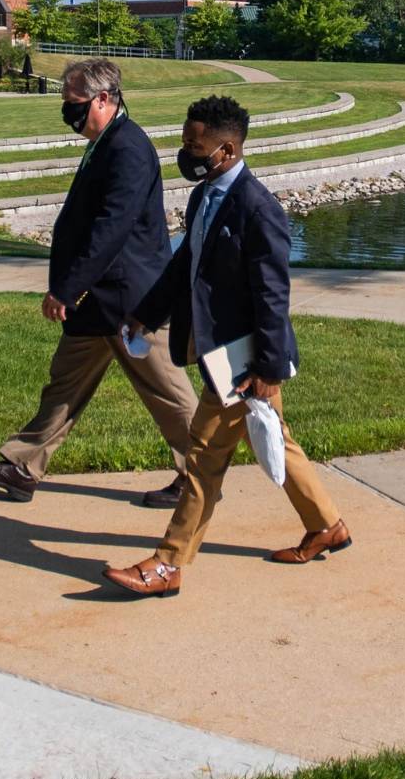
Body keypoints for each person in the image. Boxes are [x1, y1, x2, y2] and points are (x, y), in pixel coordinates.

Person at [102, 93, 353, 598]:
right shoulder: (205, 196)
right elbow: (183, 268)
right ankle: (327, 526)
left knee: (204, 458)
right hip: (223, 352)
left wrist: (268, 367)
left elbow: (273, 296)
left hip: (242, 361)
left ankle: (168, 564)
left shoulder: (258, 209)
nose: (187, 153)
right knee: (277, 442)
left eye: (196, 146)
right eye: (185, 143)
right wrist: (146, 315)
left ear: (229, 150)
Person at [0, 58, 199, 509]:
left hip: (130, 301)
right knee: (65, 384)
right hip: (98, 299)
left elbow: (111, 230)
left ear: (104, 99)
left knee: (167, 393)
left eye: (75, 105)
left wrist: (67, 288)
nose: (68, 114)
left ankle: (201, 475)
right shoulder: (107, 141)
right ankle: (23, 466)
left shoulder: (128, 148)